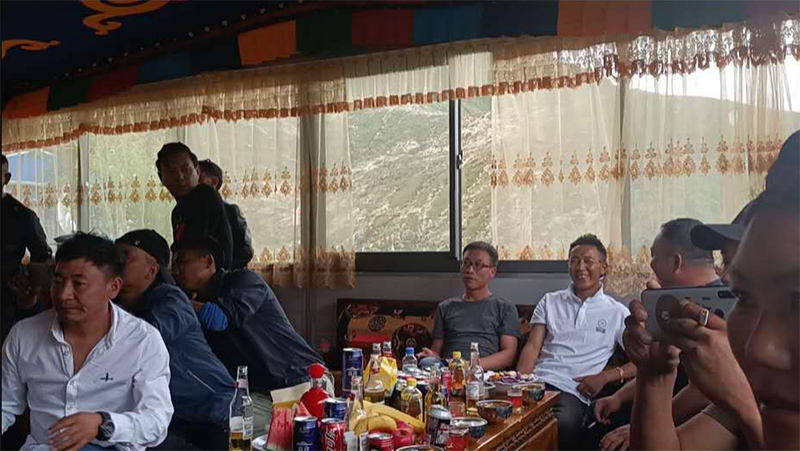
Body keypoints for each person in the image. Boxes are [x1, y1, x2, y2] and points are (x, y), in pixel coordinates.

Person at [626, 185, 799, 450]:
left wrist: (745, 407)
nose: (758, 347)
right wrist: (654, 378)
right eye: (743, 295)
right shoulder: (761, 384)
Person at [1, 233, 173, 450]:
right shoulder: (24, 336)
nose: (64, 295)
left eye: (78, 284)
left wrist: (104, 424)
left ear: (113, 287)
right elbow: (5, 405)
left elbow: (156, 420)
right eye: (58, 282)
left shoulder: (142, 341)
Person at [592, 218, 726, 451]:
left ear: (675, 262)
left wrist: (636, 428)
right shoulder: (676, 306)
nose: (651, 265)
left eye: (654, 256)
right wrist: (618, 397)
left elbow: (702, 391)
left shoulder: (717, 315)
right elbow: (657, 367)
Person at [171, 236, 325, 431]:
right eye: (172, 264)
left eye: (181, 262)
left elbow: (219, 320)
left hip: (302, 382)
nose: (175, 270)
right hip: (264, 391)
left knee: (231, 419)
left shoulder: (244, 281)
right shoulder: (197, 301)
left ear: (208, 261)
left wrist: (179, 301)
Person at [115, 229, 234, 450]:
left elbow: (136, 342)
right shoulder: (119, 309)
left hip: (215, 410)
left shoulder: (171, 300)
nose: (115, 262)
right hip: (176, 418)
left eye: (126, 255)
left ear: (152, 270)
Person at [515, 234, 636, 450]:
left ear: (604, 268)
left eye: (588, 261)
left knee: (558, 425)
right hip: (537, 383)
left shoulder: (617, 312)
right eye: (574, 261)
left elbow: (641, 363)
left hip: (572, 393)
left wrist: (604, 377)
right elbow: (532, 347)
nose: (580, 267)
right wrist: (518, 384)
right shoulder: (550, 300)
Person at [417, 241, 520, 371]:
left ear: (492, 272)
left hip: (484, 372)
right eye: (466, 263)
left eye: (478, 265)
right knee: (427, 362)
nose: (470, 270)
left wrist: (469, 366)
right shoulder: (446, 307)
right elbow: (436, 351)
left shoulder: (505, 308)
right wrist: (432, 356)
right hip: (449, 370)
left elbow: (508, 355)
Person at [156, 142, 234, 270]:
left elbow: (194, 252)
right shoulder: (177, 212)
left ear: (197, 171)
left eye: (185, 169)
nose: (180, 177)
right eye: (171, 171)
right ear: (161, 178)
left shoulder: (205, 195)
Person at [1, 153, 53, 343]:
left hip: (7, 302)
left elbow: (44, 258)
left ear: (6, 178)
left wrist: (26, 281)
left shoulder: (22, 216)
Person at [198, 159, 254, 270]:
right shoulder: (188, 211)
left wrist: (222, 272)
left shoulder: (231, 211)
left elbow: (246, 251)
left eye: (198, 176)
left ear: (213, 182)